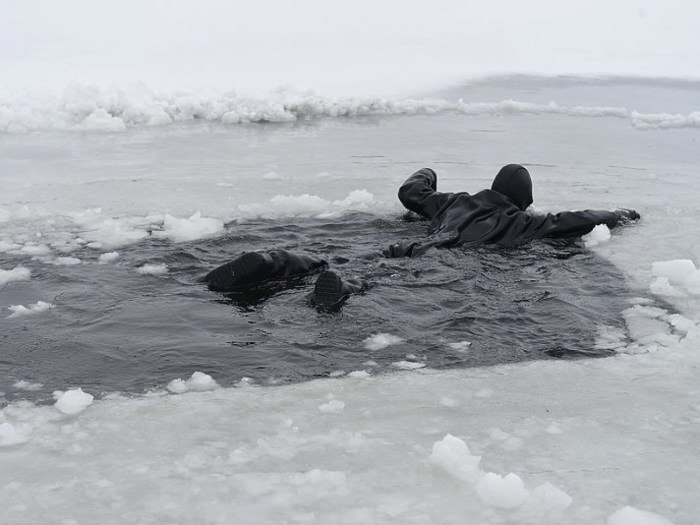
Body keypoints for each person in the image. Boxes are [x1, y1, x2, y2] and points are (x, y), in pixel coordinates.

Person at [202, 164, 640, 308]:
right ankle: (345, 290)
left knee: (355, 256)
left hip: (413, 243)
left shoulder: (456, 201)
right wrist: (625, 212)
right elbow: (583, 218)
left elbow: (412, 191)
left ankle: (277, 262)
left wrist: (428, 170)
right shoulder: (531, 224)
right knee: (381, 278)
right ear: (523, 201)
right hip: (444, 261)